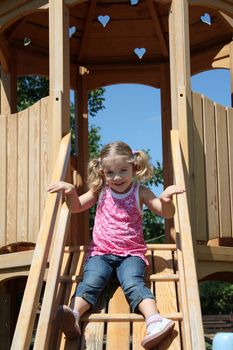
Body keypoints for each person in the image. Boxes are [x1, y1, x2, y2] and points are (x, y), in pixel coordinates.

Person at [47, 141, 185, 349]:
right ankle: (73, 316)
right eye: (110, 172)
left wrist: (165, 200)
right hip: (100, 253)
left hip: (131, 254)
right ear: (102, 172)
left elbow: (166, 213)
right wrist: (70, 191)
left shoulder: (141, 191)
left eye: (123, 170)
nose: (117, 177)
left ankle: (156, 321)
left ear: (134, 168)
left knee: (133, 283)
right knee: (91, 281)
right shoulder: (99, 190)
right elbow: (76, 207)